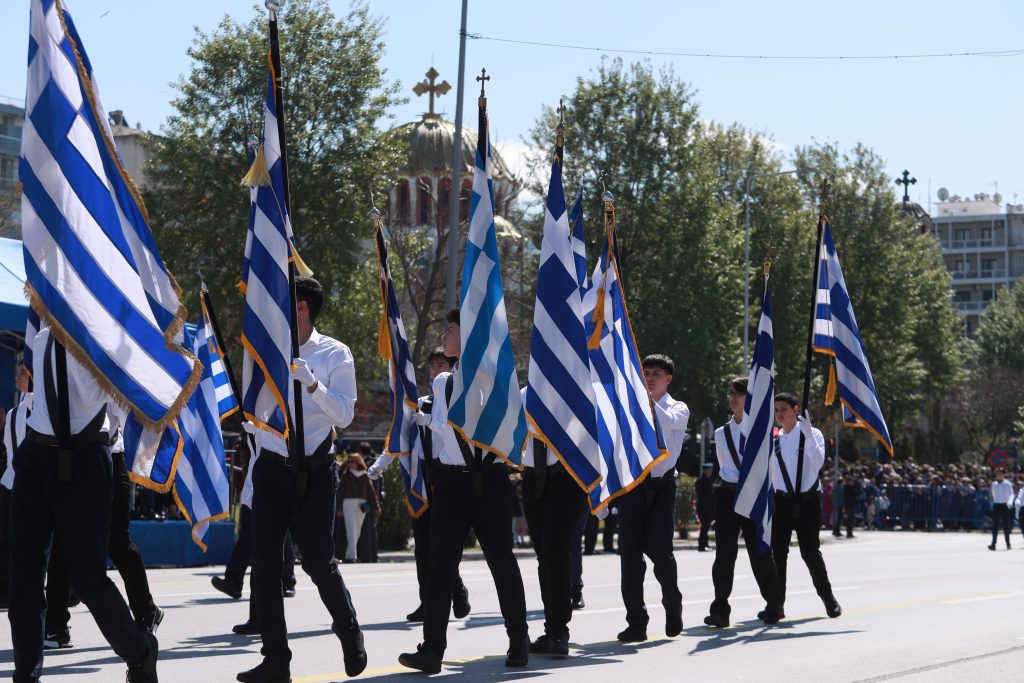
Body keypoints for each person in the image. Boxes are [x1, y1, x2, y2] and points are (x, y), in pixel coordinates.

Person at [9, 326, 158, 682]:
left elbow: (125, 400)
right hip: (36, 455)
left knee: (89, 578)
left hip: (86, 455)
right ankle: (26, 674)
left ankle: (139, 651)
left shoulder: (104, 339)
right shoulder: (42, 337)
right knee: (24, 576)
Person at [238, 277, 367, 683]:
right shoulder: (265, 351)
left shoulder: (335, 354)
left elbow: (344, 416)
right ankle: (276, 659)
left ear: (302, 309)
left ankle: (349, 630)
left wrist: (312, 383)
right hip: (273, 467)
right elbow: (251, 409)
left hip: (316, 470)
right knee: (264, 564)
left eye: (287, 301)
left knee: (317, 561)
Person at [398, 309, 530, 674]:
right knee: (439, 566)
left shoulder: (494, 377)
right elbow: (441, 430)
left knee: (502, 562)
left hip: (490, 479)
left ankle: (518, 640)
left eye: (450, 329)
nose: (443, 335)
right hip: (452, 482)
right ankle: (432, 649)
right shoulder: (442, 384)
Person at [41, 402, 165, 650]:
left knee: (116, 542)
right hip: (71, 457)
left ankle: (145, 609)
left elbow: (126, 414)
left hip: (108, 456)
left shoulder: (107, 367)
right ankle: (55, 625)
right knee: (62, 541)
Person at [367, 348, 471, 622]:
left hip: (446, 475)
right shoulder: (418, 404)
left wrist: (434, 424)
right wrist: (379, 465)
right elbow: (397, 440)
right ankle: (427, 601)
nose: (436, 370)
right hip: (420, 478)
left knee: (443, 546)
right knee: (423, 546)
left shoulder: (456, 402)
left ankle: (457, 592)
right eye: (433, 366)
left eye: (441, 365)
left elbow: (458, 434)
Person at [614, 354, 688, 643]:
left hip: (662, 487)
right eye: (645, 372)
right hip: (634, 485)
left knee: (660, 550)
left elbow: (667, 421)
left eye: (657, 373)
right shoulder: (631, 407)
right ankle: (636, 622)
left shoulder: (678, 408)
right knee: (630, 557)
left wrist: (645, 400)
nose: (650, 377)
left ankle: (672, 604)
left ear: (668, 379)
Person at [704, 377, 782, 628]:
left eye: (739, 393)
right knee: (724, 553)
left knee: (759, 551)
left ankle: (774, 604)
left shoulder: (760, 431)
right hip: (727, 493)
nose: (733, 398)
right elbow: (724, 466)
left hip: (753, 492)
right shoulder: (721, 432)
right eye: (731, 394)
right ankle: (720, 609)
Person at [520, 388, 590, 657]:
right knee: (544, 557)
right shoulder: (524, 394)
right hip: (533, 477)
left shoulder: (576, 386)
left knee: (556, 549)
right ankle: (552, 629)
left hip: (568, 477)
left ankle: (560, 631)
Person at [769, 392, 841, 620]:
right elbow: (772, 475)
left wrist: (808, 436)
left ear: (795, 409)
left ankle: (829, 600)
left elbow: (817, 462)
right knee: (777, 553)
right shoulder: (775, 440)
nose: (779, 413)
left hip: (808, 500)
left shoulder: (812, 433)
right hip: (782, 501)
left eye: (784, 409)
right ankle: (776, 605)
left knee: (810, 552)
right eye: (776, 409)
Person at [1, 360, 33, 610]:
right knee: (6, 539)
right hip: (10, 481)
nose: (17, 378)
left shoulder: (38, 408)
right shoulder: (13, 413)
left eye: (22, 373)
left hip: (33, 484)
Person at [337, 452, 380, 563]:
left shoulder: (365, 475)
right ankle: (352, 557)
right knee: (351, 530)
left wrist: (376, 507)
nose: (350, 463)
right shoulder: (346, 475)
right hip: (348, 504)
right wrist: (339, 509)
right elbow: (340, 493)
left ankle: (349, 555)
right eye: (349, 461)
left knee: (357, 531)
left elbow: (371, 493)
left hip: (361, 505)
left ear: (358, 462)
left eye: (353, 461)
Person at [988, 470, 1014, 551]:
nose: (999, 476)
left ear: (1004, 475)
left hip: (1004, 505)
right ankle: (993, 543)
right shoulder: (994, 484)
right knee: (994, 525)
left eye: (1001, 474)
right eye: (998, 474)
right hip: (997, 505)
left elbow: (1011, 494)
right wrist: (995, 501)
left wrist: (1009, 503)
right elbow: (993, 494)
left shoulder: (1007, 484)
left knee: (1005, 525)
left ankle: (1008, 543)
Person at [695, 464, 715, 552]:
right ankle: (702, 546)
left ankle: (704, 544)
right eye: (710, 470)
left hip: (701, 507)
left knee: (705, 527)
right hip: (706, 508)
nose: (711, 471)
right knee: (705, 527)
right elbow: (710, 496)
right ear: (707, 470)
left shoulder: (699, 481)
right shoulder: (707, 481)